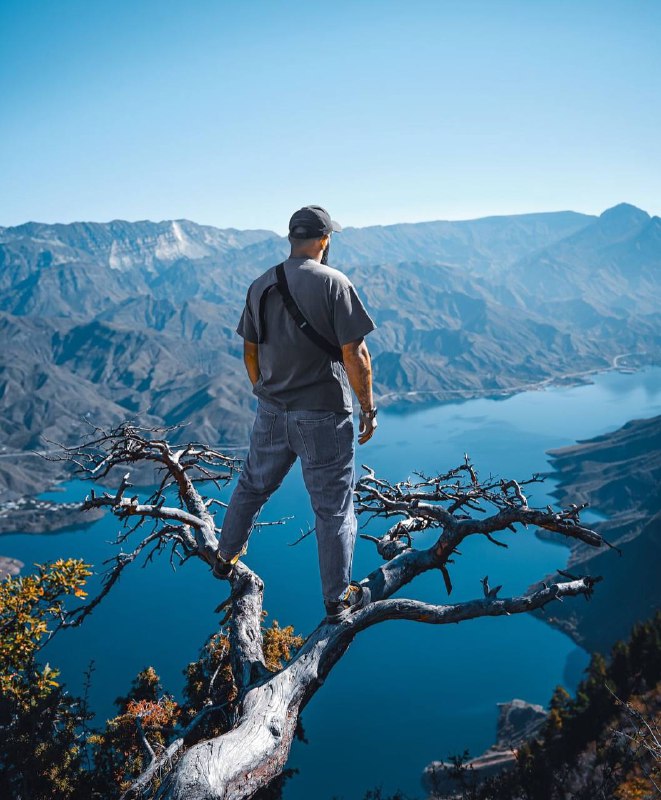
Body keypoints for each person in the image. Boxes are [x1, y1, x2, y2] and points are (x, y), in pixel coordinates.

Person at [213, 205, 378, 623]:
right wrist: (368, 408)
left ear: (292, 238)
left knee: (252, 486)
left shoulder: (261, 284)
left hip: (272, 410)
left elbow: (249, 350)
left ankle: (225, 556)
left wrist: (260, 388)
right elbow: (355, 353)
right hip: (323, 413)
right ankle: (337, 598)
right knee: (333, 509)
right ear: (324, 239)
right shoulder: (334, 283)